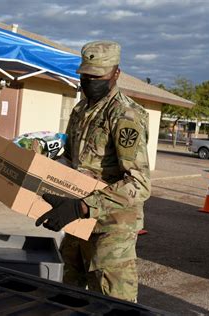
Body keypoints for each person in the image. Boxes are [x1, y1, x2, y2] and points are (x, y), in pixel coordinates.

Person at [35, 41, 151, 303]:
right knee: (68, 294)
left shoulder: (125, 115)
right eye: (85, 75)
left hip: (112, 228)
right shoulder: (80, 109)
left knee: (111, 303)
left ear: (116, 74)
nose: (89, 82)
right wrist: (43, 163)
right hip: (78, 221)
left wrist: (82, 207)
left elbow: (139, 184)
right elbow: (72, 158)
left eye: (97, 76)